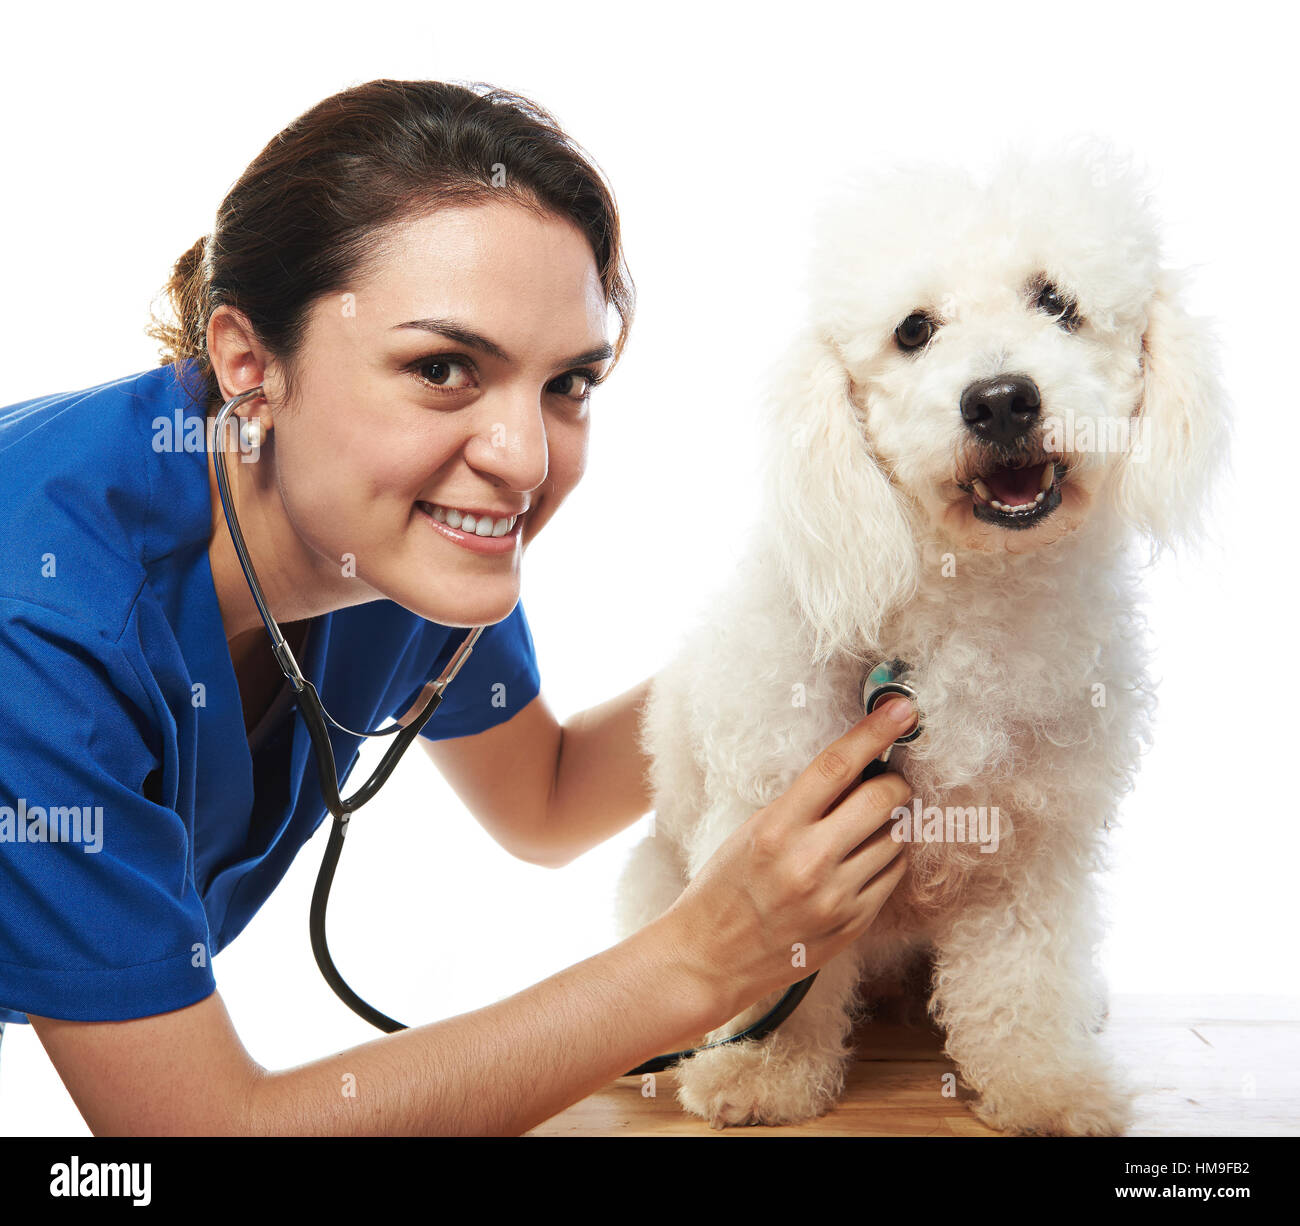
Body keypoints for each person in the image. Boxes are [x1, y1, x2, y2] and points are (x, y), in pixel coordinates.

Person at [0, 78, 915, 1136]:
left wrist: (817, 645)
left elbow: (547, 796)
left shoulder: (386, 536)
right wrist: (702, 958)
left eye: (567, 383)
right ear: (249, 364)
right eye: (443, 367)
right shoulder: (41, 631)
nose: (525, 458)